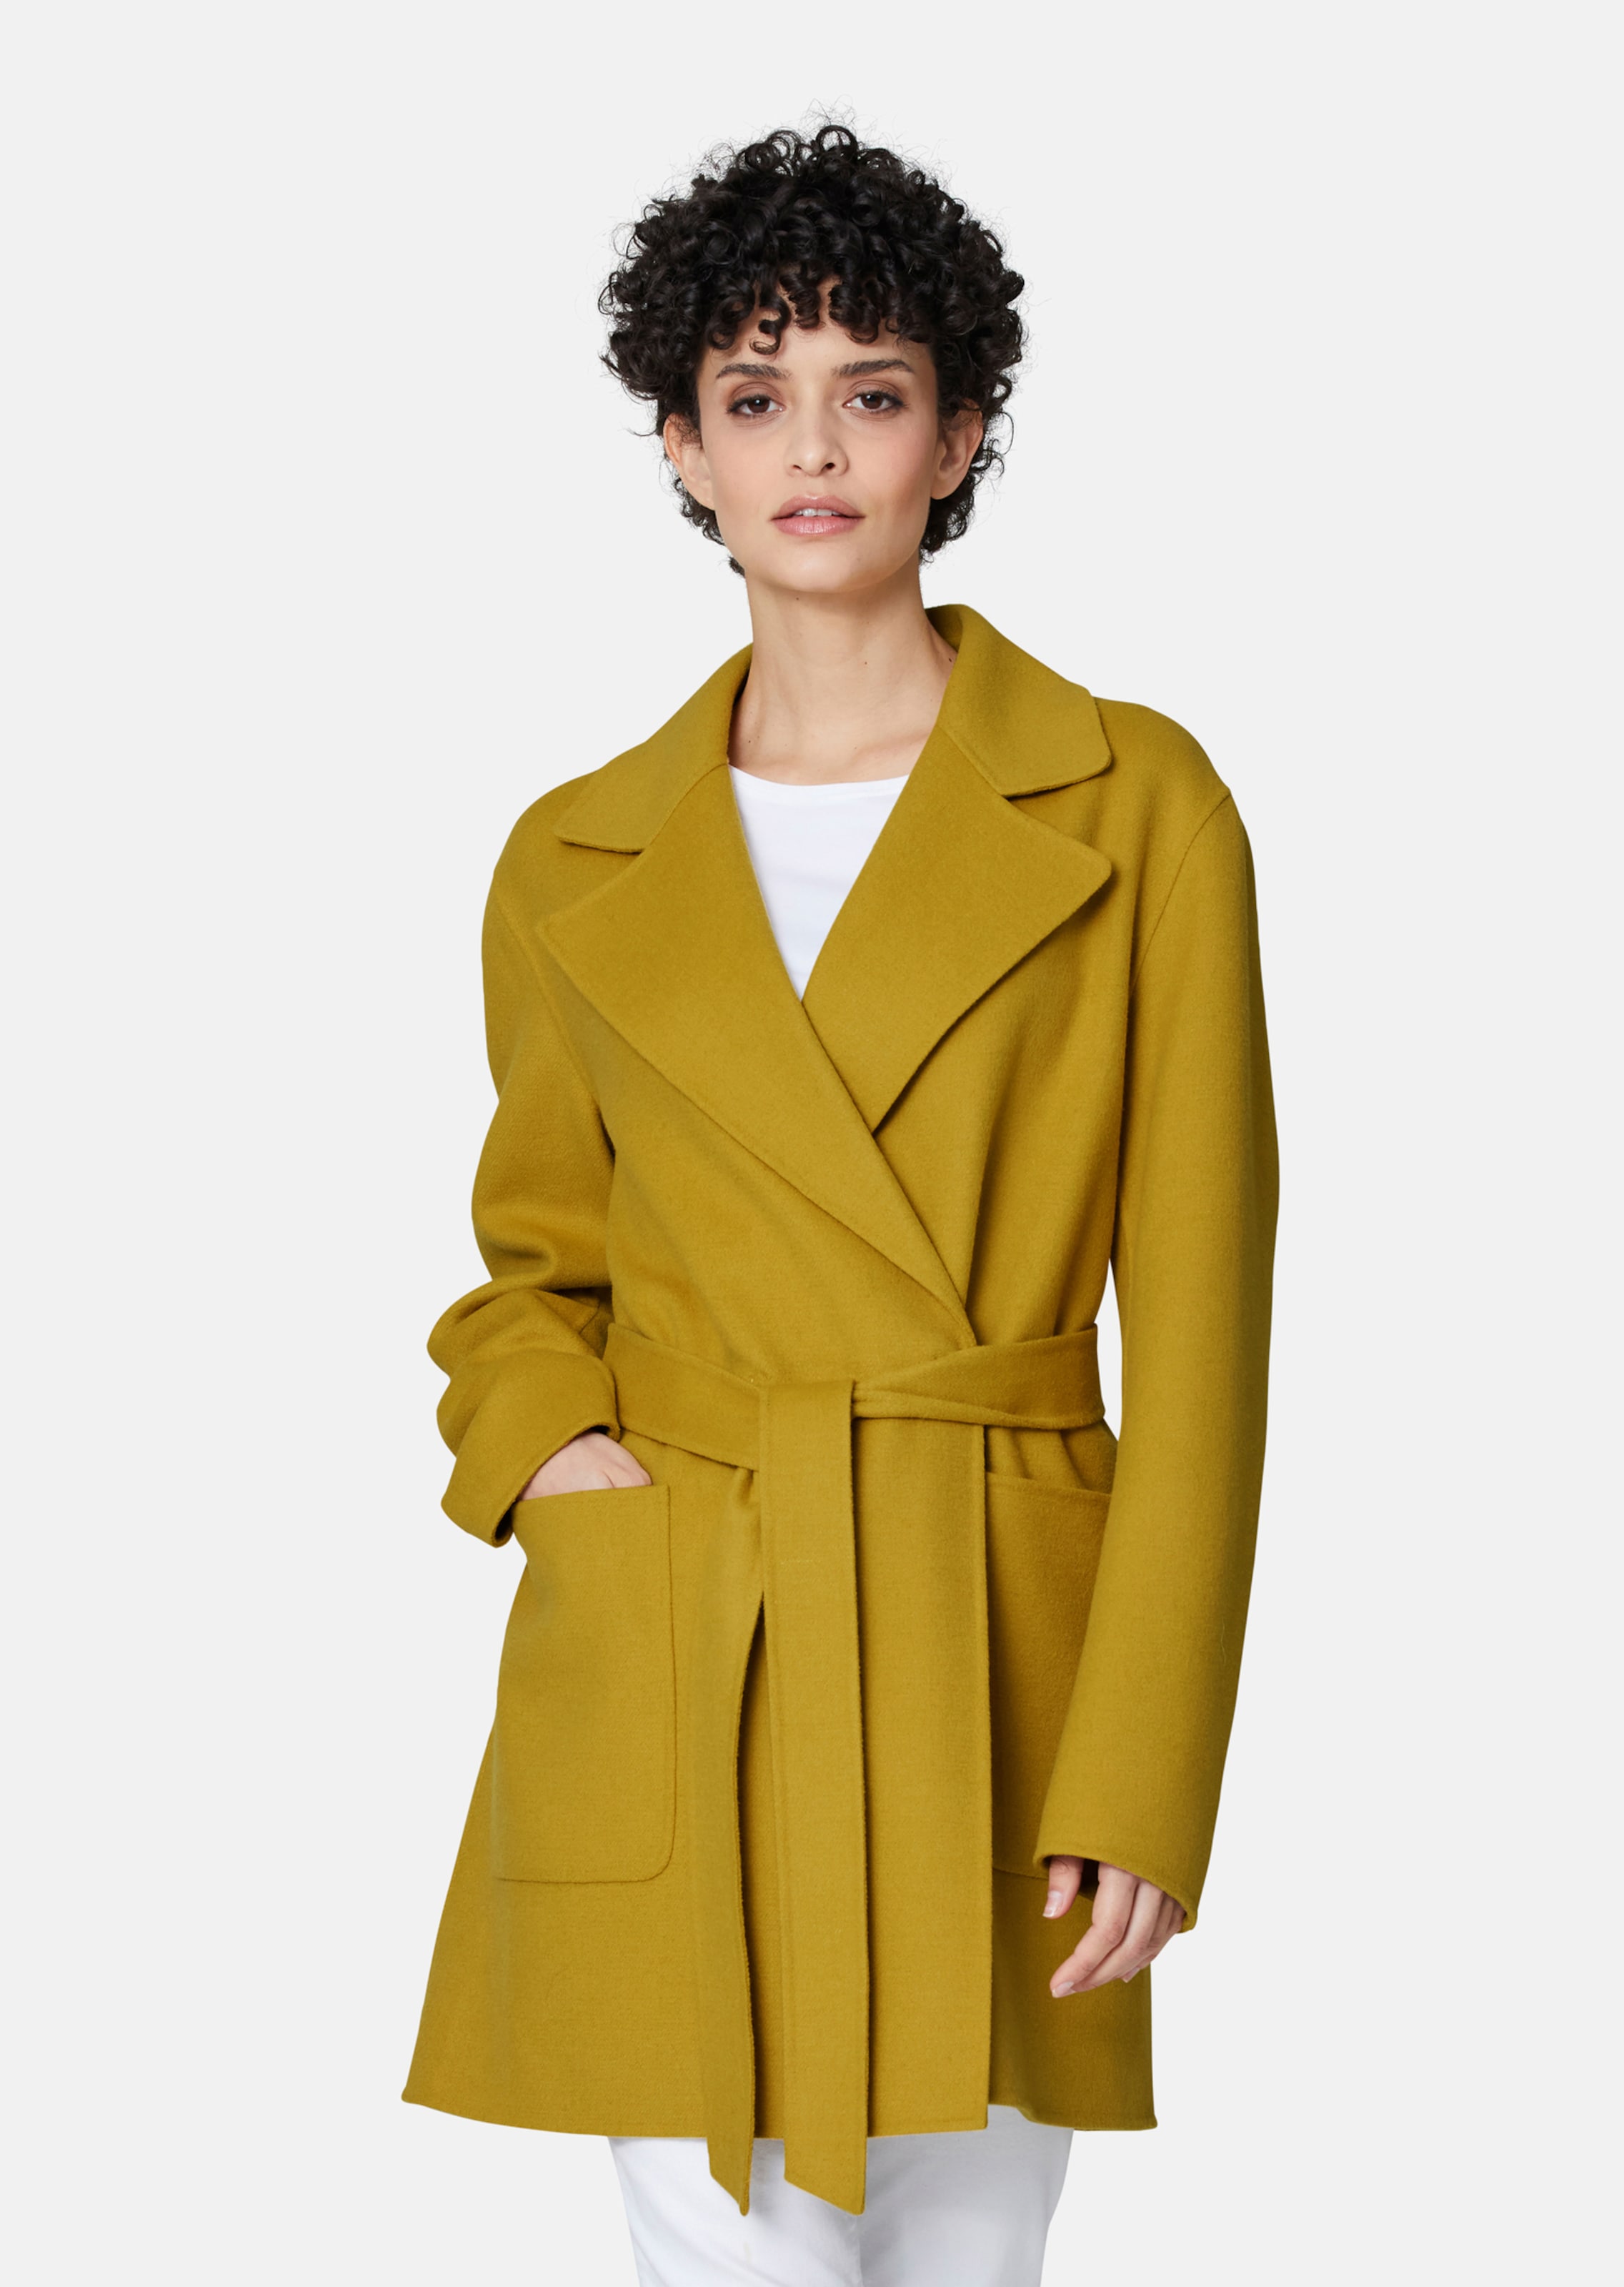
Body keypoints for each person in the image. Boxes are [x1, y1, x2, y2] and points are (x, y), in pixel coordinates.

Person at [403, 124, 1278, 2286]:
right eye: (752, 394)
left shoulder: (1133, 801)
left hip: (995, 1656)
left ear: (958, 434)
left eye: (870, 393)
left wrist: (1146, 1763)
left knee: (969, 2259)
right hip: (686, 1648)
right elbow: (531, 1272)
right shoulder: (575, 856)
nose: (812, 449)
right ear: (682, 448)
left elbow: (1204, 1329)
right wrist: (556, 1462)